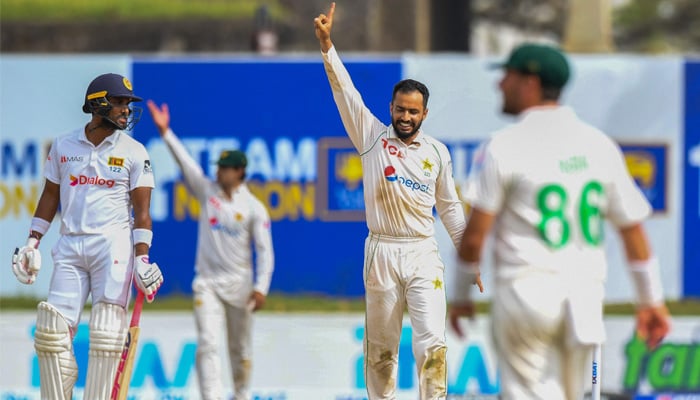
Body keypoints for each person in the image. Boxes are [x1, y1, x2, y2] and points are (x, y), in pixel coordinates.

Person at [448, 43, 672, 399]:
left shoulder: (505, 144)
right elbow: (633, 230)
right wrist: (651, 301)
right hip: (583, 296)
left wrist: (459, 295)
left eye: (508, 75)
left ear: (530, 82)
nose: (500, 84)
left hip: (527, 292)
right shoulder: (598, 145)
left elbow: (474, 238)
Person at [314, 4, 476, 399]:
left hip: (422, 252)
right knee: (382, 353)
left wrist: (471, 258)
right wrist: (326, 46)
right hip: (382, 252)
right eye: (400, 109)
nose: (406, 117)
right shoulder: (371, 137)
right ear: (390, 109)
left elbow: (450, 208)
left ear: (424, 113)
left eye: (413, 111)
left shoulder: (436, 153)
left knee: (431, 345)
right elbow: (344, 91)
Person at [10, 73, 164, 400]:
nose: (125, 110)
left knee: (107, 333)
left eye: (127, 104)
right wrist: (32, 241)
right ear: (98, 104)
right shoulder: (64, 146)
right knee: (51, 335)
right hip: (69, 245)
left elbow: (143, 211)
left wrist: (142, 257)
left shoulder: (135, 152)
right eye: (119, 102)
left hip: (114, 247)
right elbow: (51, 196)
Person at [146, 100, 274, 400]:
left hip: (240, 284)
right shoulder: (207, 193)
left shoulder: (254, 208)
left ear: (240, 171)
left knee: (239, 348)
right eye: (219, 168)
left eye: (226, 169)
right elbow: (186, 164)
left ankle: (241, 394)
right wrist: (165, 133)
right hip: (207, 283)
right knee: (207, 343)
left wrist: (261, 287)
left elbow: (265, 251)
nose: (219, 173)